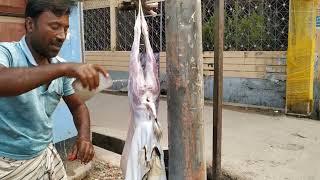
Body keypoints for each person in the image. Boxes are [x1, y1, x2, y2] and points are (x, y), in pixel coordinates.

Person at [0, 0, 106, 179]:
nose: (62, 35)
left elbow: (78, 106)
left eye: (65, 28)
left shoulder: (59, 66)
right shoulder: (7, 53)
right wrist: (64, 69)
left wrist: (84, 137)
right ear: (30, 25)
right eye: (55, 26)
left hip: (46, 154)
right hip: (8, 162)